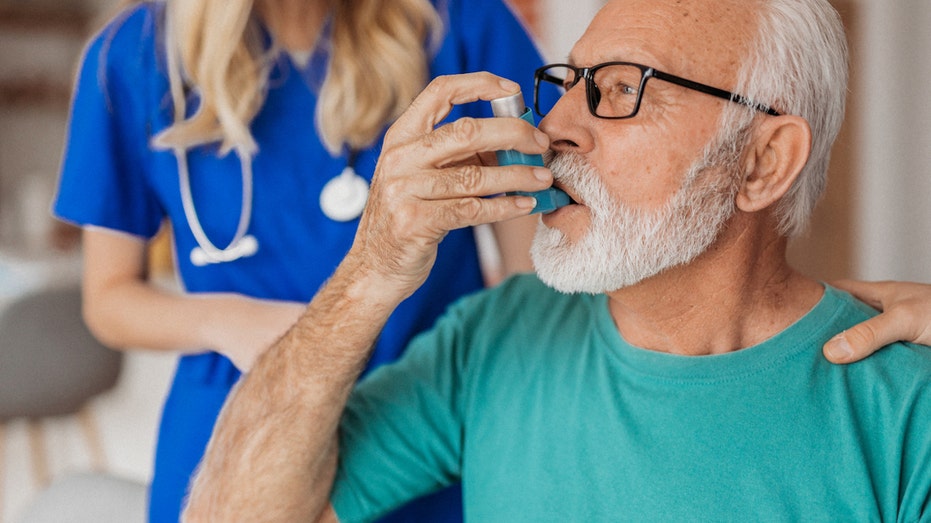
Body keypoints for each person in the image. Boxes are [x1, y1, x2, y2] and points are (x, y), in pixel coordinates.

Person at [182, 0, 931, 521]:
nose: (554, 127)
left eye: (618, 89)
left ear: (763, 161)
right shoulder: (495, 336)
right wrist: (367, 273)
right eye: (566, 83)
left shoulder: (906, 408)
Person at [52, 0, 545, 520]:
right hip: (241, 425)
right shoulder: (130, 58)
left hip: (428, 424)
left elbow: (532, 279)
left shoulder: (463, 25)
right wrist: (235, 323)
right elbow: (108, 300)